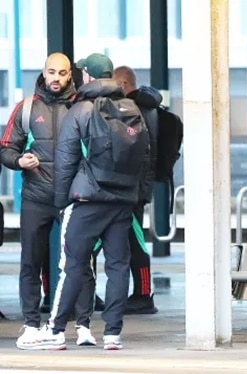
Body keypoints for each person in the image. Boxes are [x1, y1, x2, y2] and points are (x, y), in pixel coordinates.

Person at [32, 53, 150, 351]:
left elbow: (66, 159)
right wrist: (138, 196)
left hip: (87, 199)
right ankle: (113, 333)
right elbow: (146, 159)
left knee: (71, 265)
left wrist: (62, 203)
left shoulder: (82, 109)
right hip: (123, 199)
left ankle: (56, 330)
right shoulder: (131, 108)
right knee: (119, 266)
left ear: (87, 75)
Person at [0, 53, 97, 349]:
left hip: (72, 198)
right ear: (44, 72)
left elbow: (98, 149)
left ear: (71, 76)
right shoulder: (27, 109)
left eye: (63, 73)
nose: (56, 78)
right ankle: (31, 324)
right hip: (36, 197)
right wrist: (19, 160)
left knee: (80, 262)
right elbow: (5, 149)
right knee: (31, 262)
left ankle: (83, 326)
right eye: (52, 72)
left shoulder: (82, 108)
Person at [112, 66, 160, 315]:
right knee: (131, 241)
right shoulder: (149, 106)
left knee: (136, 243)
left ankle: (143, 294)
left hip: (132, 189)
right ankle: (140, 294)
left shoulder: (132, 109)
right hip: (137, 187)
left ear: (122, 84)